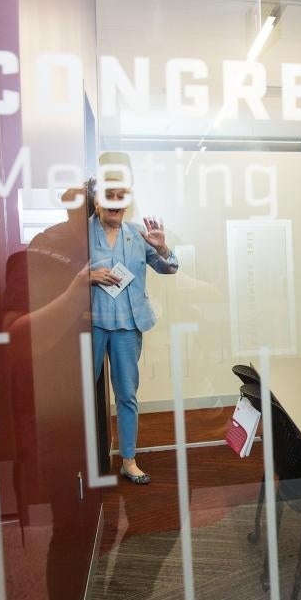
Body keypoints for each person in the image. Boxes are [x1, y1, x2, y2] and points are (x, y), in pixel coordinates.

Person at [90, 154, 179, 484]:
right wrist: (87, 275)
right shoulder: (80, 235)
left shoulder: (138, 235)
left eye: (120, 197)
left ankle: (128, 460)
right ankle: (86, 459)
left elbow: (169, 268)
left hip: (128, 327)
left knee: (126, 394)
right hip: (93, 324)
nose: (115, 204)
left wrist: (164, 247)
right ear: (98, 199)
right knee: (84, 394)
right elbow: (59, 275)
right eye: (109, 196)